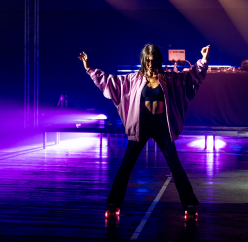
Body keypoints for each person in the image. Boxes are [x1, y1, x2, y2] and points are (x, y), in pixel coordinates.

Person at [78, 44, 210, 216]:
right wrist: (89, 69)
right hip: (142, 125)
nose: (149, 63)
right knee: (127, 165)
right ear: (143, 60)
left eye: (152, 60)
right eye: (146, 60)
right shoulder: (134, 79)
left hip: (162, 125)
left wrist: (203, 60)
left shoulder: (168, 78)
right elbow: (111, 82)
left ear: (158, 60)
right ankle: (113, 203)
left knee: (175, 165)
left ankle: (190, 204)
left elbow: (191, 78)